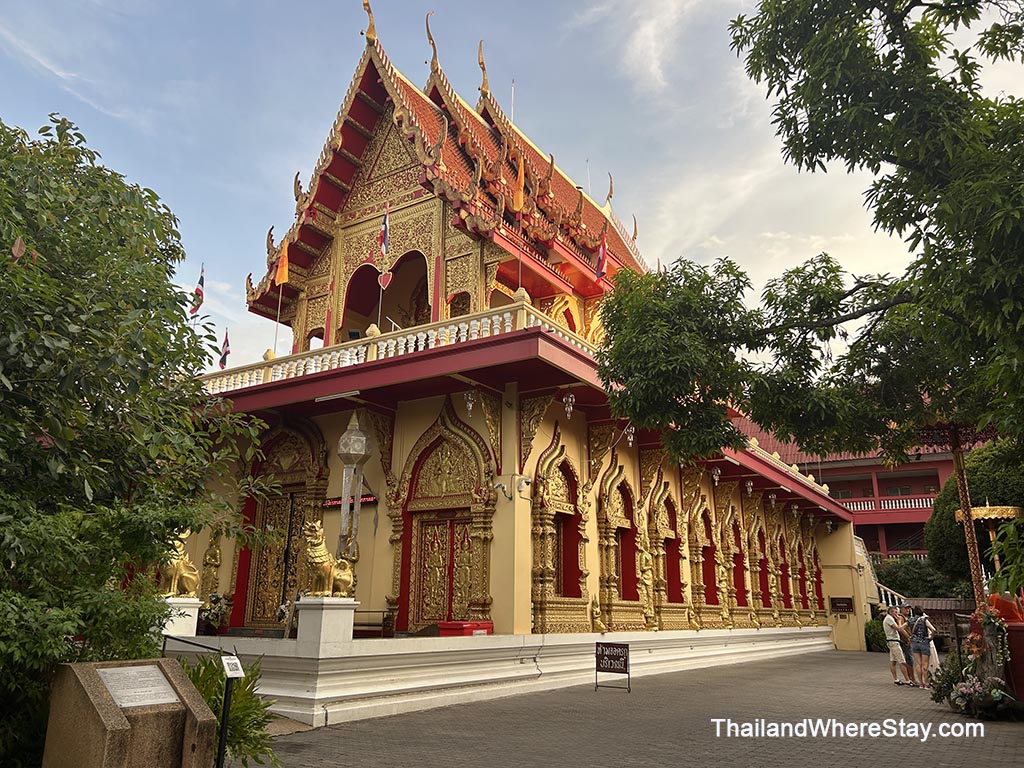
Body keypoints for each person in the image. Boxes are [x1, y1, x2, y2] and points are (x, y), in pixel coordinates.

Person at [908, 605, 937, 689]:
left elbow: (901, 628)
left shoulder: (911, 620)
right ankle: (926, 683)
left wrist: (909, 636)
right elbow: (934, 630)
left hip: (914, 643)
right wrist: (931, 637)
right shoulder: (924, 620)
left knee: (918, 664)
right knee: (925, 665)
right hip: (924, 642)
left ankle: (920, 683)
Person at [882, 606, 910, 686]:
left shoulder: (888, 618)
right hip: (894, 642)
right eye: (896, 612)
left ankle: (896, 679)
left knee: (893, 661)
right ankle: (908, 680)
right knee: (902, 661)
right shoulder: (889, 619)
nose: (897, 614)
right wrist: (899, 621)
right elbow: (899, 628)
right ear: (891, 612)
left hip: (891, 642)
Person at [897, 605, 916, 686]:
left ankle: (911, 678)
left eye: (908, 608)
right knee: (909, 659)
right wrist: (908, 638)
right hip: (905, 641)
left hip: (907, 640)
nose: (908, 610)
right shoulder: (901, 617)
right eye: (905, 608)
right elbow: (901, 628)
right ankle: (912, 678)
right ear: (901, 609)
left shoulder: (906, 617)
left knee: (909, 659)